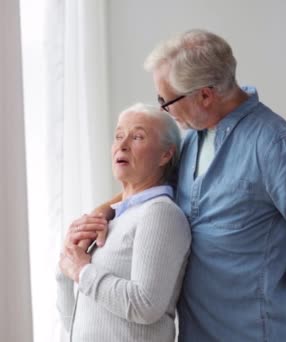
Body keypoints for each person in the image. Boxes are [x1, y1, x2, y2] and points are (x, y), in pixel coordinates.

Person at [72, 29, 286, 341]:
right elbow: (146, 191)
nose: (164, 109)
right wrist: (99, 215)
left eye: (167, 100)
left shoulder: (275, 146)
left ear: (204, 95)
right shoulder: (192, 141)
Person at [56, 103, 191, 342]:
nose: (122, 144)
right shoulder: (115, 219)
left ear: (165, 154)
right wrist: (66, 263)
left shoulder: (160, 214)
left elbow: (145, 305)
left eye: (137, 136)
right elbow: (75, 324)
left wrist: (82, 271)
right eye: (118, 136)